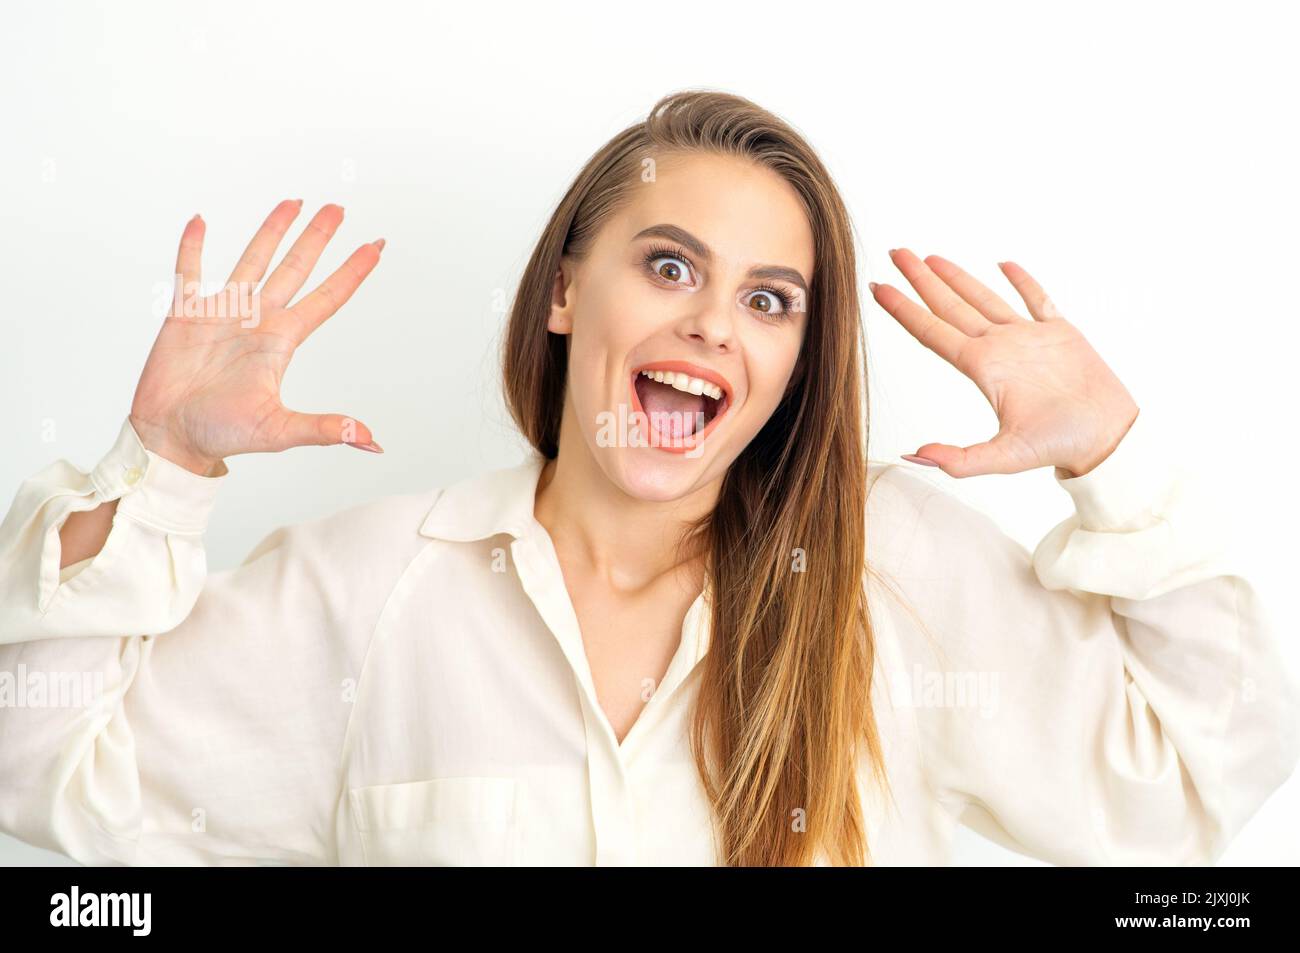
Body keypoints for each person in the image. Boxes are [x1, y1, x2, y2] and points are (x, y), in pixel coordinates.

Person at [1, 90, 1295, 866]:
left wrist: (1111, 457)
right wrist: (160, 463)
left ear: (798, 355)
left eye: (770, 299)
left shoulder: (891, 567)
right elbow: (42, 766)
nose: (714, 328)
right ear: (568, 289)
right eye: (670, 267)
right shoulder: (369, 590)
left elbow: (1199, 775)